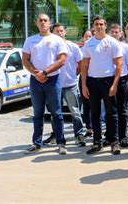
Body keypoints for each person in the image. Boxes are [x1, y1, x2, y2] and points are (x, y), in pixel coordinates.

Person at [22, 14, 68, 155]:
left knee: (57, 113)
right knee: (37, 114)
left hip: (53, 80)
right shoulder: (30, 40)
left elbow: (62, 60)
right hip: (36, 81)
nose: (43, 22)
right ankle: (37, 144)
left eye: (45, 20)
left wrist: (45, 73)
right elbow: (25, 60)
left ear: (49, 23)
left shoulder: (57, 40)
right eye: (40, 20)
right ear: (37, 23)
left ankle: (61, 143)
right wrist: (37, 73)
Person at [81, 16, 124, 155]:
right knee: (95, 113)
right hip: (92, 81)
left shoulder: (112, 42)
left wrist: (115, 84)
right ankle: (97, 142)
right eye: (96, 24)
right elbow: (85, 65)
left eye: (101, 24)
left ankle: (114, 141)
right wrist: (84, 85)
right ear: (93, 27)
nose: (99, 26)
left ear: (105, 25)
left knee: (111, 113)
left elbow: (119, 65)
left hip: (108, 80)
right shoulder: (89, 43)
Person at [52, 23, 86, 147]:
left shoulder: (73, 46)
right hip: (54, 84)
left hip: (70, 84)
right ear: (53, 33)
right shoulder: (50, 47)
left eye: (61, 31)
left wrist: (74, 74)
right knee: (55, 113)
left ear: (65, 32)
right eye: (57, 31)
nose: (60, 33)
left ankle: (79, 135)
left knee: (75, 112)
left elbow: (81, 63)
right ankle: (57, 135)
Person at [109, 23, 128, 147]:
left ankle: (123, 136)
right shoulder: (106, 45)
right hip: (108, 79)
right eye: (112, 32)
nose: (114, 34)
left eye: (116, 32)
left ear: (121, 33)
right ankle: (111, 136)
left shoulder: (125, 47)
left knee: (122, 109)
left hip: (122, 79)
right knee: (110, 109)